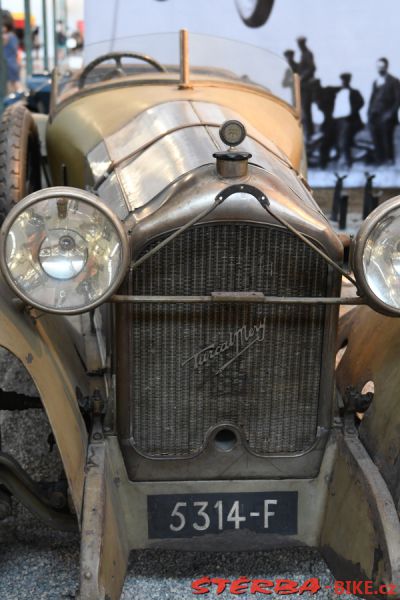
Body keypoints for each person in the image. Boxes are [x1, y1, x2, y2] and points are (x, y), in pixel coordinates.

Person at [368, 58, 400, 165]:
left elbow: (398, 99)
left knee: (387, 138)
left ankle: (389, 161)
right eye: (378, 67)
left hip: (387, 116)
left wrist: (390, 113)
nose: (380, 69)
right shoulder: (375, 82)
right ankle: (380, 161)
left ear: (386, 67)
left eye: (382, 66)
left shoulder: (394, 81)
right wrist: (369, 113)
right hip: (375, 115)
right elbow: (372, 99)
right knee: (376, 138)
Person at [331, 73, 364, 167]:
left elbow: (361, 102)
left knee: (345, 140)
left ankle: (347, 161)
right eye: (342, 80)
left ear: (349, 81)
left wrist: (352, 112)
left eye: (345, 80)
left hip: (349, 120)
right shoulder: (338, 92)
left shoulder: (354, 92)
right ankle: (340, 159)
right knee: (337, 140)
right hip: (338, 120)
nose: (343, 82)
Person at [297, 36, 316, 139]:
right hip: (303, 85)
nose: (299, 46)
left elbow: (312, 68)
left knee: (306, 109)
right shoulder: (303, 54)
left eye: (300, 44)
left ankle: (309, 134)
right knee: (304, 110)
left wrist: (302, 77)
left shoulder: (307, 54)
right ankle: (308, 133)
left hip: (307, 86)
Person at [2, 22, 20, 94]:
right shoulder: (13, 36)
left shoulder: (6, 36)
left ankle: (20, 96)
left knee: (13, 83)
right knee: (14, 82)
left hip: (8, 63)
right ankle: (20, 96)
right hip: (13, 62)